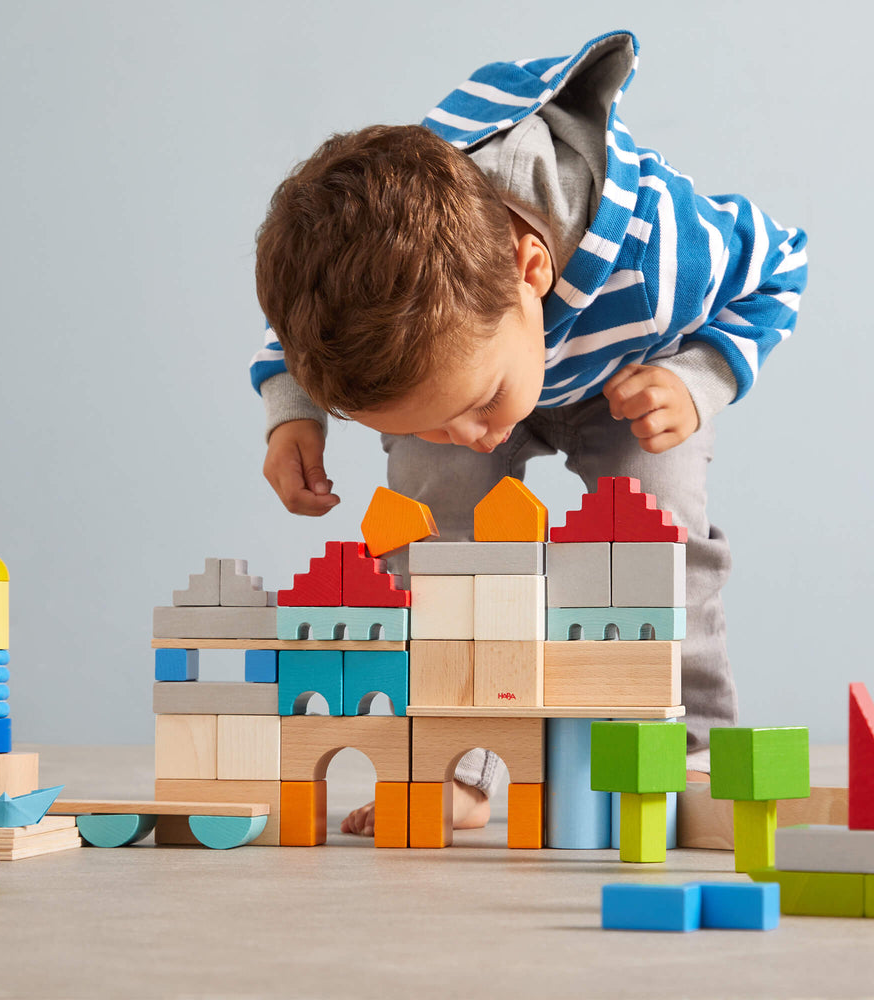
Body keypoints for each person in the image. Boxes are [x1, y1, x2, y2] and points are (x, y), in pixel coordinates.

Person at [250, 30, 808, 837]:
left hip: (631, 379)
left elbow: (781, 270)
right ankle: (461, 760)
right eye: (431, 422)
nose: (473, 438)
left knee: (657, 541)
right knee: (436, 549)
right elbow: (301, 322)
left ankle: (691, 754)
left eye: (478, 407)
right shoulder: (371, 283)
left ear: (530, 267)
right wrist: (292, 411)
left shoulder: (663, 255)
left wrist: (699, 380)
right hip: (487, 354)